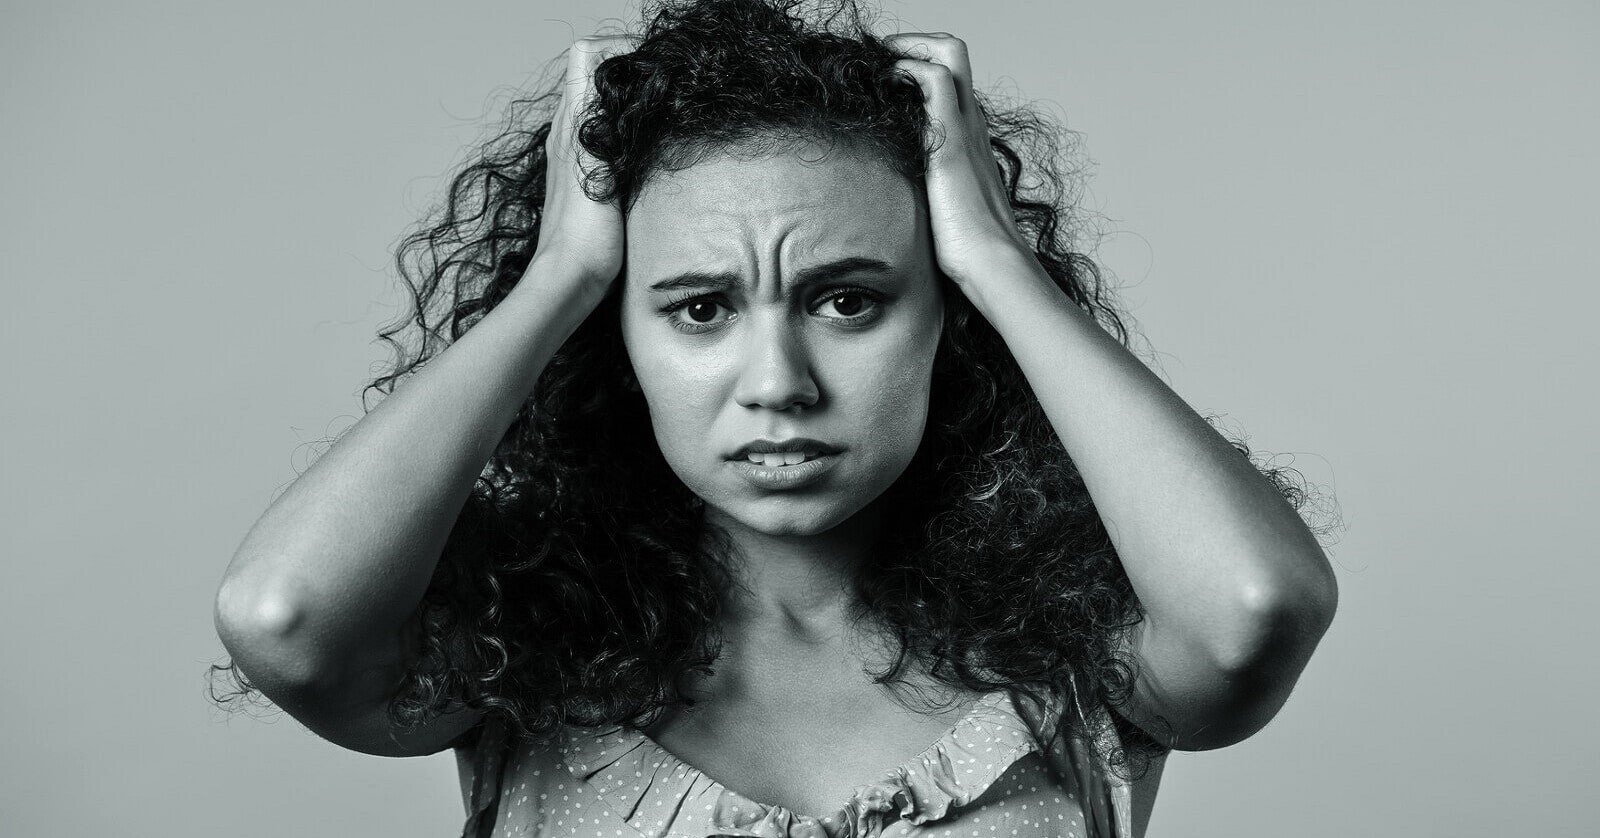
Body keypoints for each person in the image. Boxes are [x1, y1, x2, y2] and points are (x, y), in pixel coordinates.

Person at [211, 1, 1338, 836]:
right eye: (698, 308)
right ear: (619, 340)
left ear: (944, 317)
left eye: (848, 300)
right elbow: (286, 619)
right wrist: (559, 277)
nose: (778, 381)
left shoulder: (1075, 656)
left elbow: (1255, 606)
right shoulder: (535, 656)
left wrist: (993, 260)